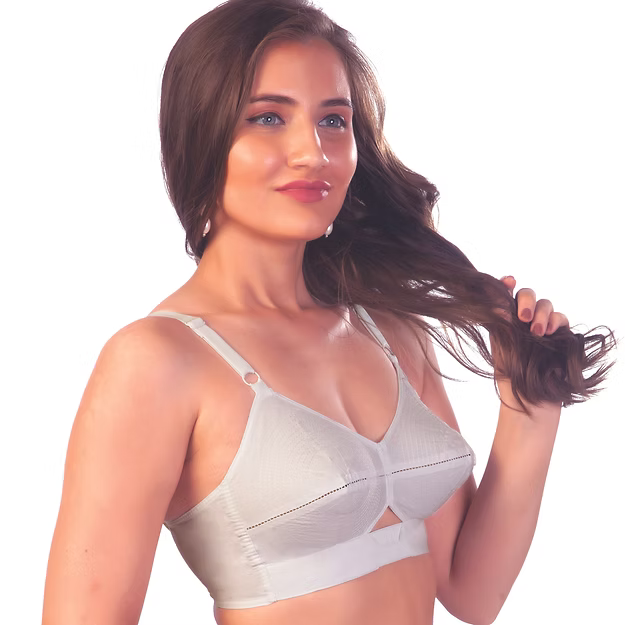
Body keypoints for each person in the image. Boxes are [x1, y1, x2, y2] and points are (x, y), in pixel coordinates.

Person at [41, 1, 617, 624]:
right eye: (268, 117)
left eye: (333, 120)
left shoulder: (391, 331)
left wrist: (532, 401)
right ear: (200, 135)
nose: (311, 152)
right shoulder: (157, 361)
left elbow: (471, 591)